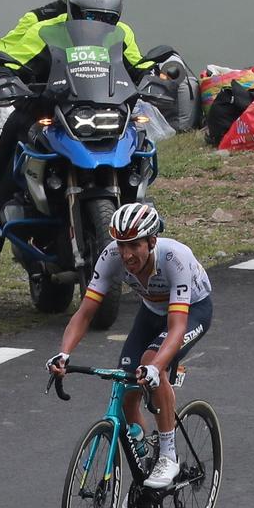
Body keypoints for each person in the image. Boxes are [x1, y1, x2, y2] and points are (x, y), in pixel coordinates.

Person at [0, 0, 153, 324]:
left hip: (101, 115)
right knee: (1, 199)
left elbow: (135, 65)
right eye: (91, 13)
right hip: (46, 111)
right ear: (72, 2)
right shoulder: (42, 27)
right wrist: (5, 74)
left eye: (105, 15)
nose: (98, 20)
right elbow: (4, 55)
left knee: (140, 156)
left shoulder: (120, 33)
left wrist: (155, 74)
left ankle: (154, 275)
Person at [48, 203, 212, 489]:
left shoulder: (176, 258)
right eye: (121, 245)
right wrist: (64, 353)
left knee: (151, 362)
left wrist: (156, 367)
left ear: (151, 241)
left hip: (191, 311)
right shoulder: (110, 256)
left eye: (134, 245)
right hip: (152, 310)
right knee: (126, 387)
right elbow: (85, 312)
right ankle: (144, 463)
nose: (126, 254)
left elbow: (176, 328)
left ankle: (168, 456)